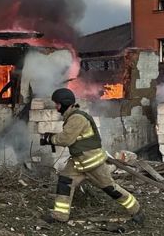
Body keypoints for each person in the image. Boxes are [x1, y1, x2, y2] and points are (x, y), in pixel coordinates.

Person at [40, 88, 144, 224]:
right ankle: (60, 216)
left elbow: (66, 139)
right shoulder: (72, 116)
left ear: (65, 103)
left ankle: (136, 210)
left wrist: (49, 139)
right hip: (78, 161)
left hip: (92, 163)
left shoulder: (77, 118)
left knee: (110, 188)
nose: (56, 107)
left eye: (58, 104)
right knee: (65, 182)